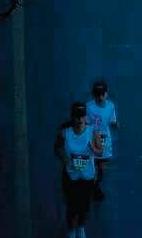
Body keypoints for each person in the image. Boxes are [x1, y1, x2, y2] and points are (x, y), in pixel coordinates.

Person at [54, 102, 106, 238]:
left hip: (87, 177)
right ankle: (71, 230)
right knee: (71, 207)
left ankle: (81, 227)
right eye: (77, 116)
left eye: (82, 116)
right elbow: (57, 148)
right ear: (72, 117)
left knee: (84, 207)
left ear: (85, 117)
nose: (79, 119)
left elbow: (101, 151)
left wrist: (94, 149)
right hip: (70, 176)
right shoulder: (65, 133)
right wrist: (64, 159)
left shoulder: (93, 132)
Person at [82, 79, 119, 200]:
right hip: (93, 139)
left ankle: (95, 185)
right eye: (99, 94)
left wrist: (116, 124)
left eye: (102, 94)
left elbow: (112, 121)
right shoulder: (89, 107)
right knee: (93, 165)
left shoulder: (110, 106)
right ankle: (92, 185)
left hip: (104, 140)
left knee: (102, 167)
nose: (101, 96)